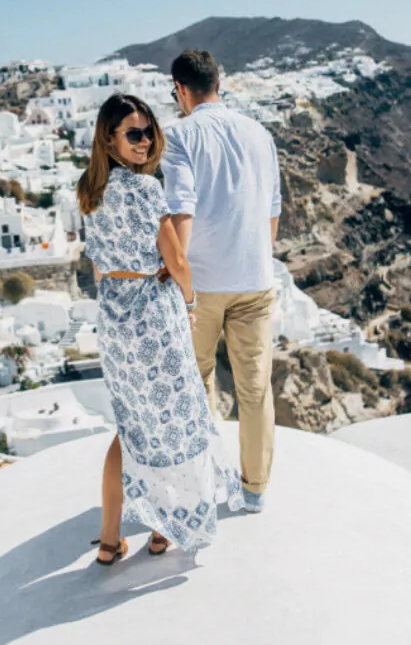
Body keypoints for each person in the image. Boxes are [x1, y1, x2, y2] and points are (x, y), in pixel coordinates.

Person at [78, 93, 242, 565]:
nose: (146, 141)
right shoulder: (148, 191)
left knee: (131, 428)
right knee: (174, 425)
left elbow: (98, 264)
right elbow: (178, 261)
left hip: (114, 320)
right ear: (108, 141)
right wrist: (189, 302)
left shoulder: (88, 193)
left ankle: (109, 542)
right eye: (134, 133)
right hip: (154, 316)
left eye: (149, 131)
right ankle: (161, 531)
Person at [162, 49, 281, 513]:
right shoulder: (259, 133)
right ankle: (254, 491)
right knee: (254, 389)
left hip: (204, 287)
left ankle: (207, 481)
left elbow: (182, 213)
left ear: (181, 90)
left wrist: (178, 279)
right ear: (220, 81)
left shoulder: (179, 136)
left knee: (198, 382)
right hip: (256, 280)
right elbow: (272, 216)